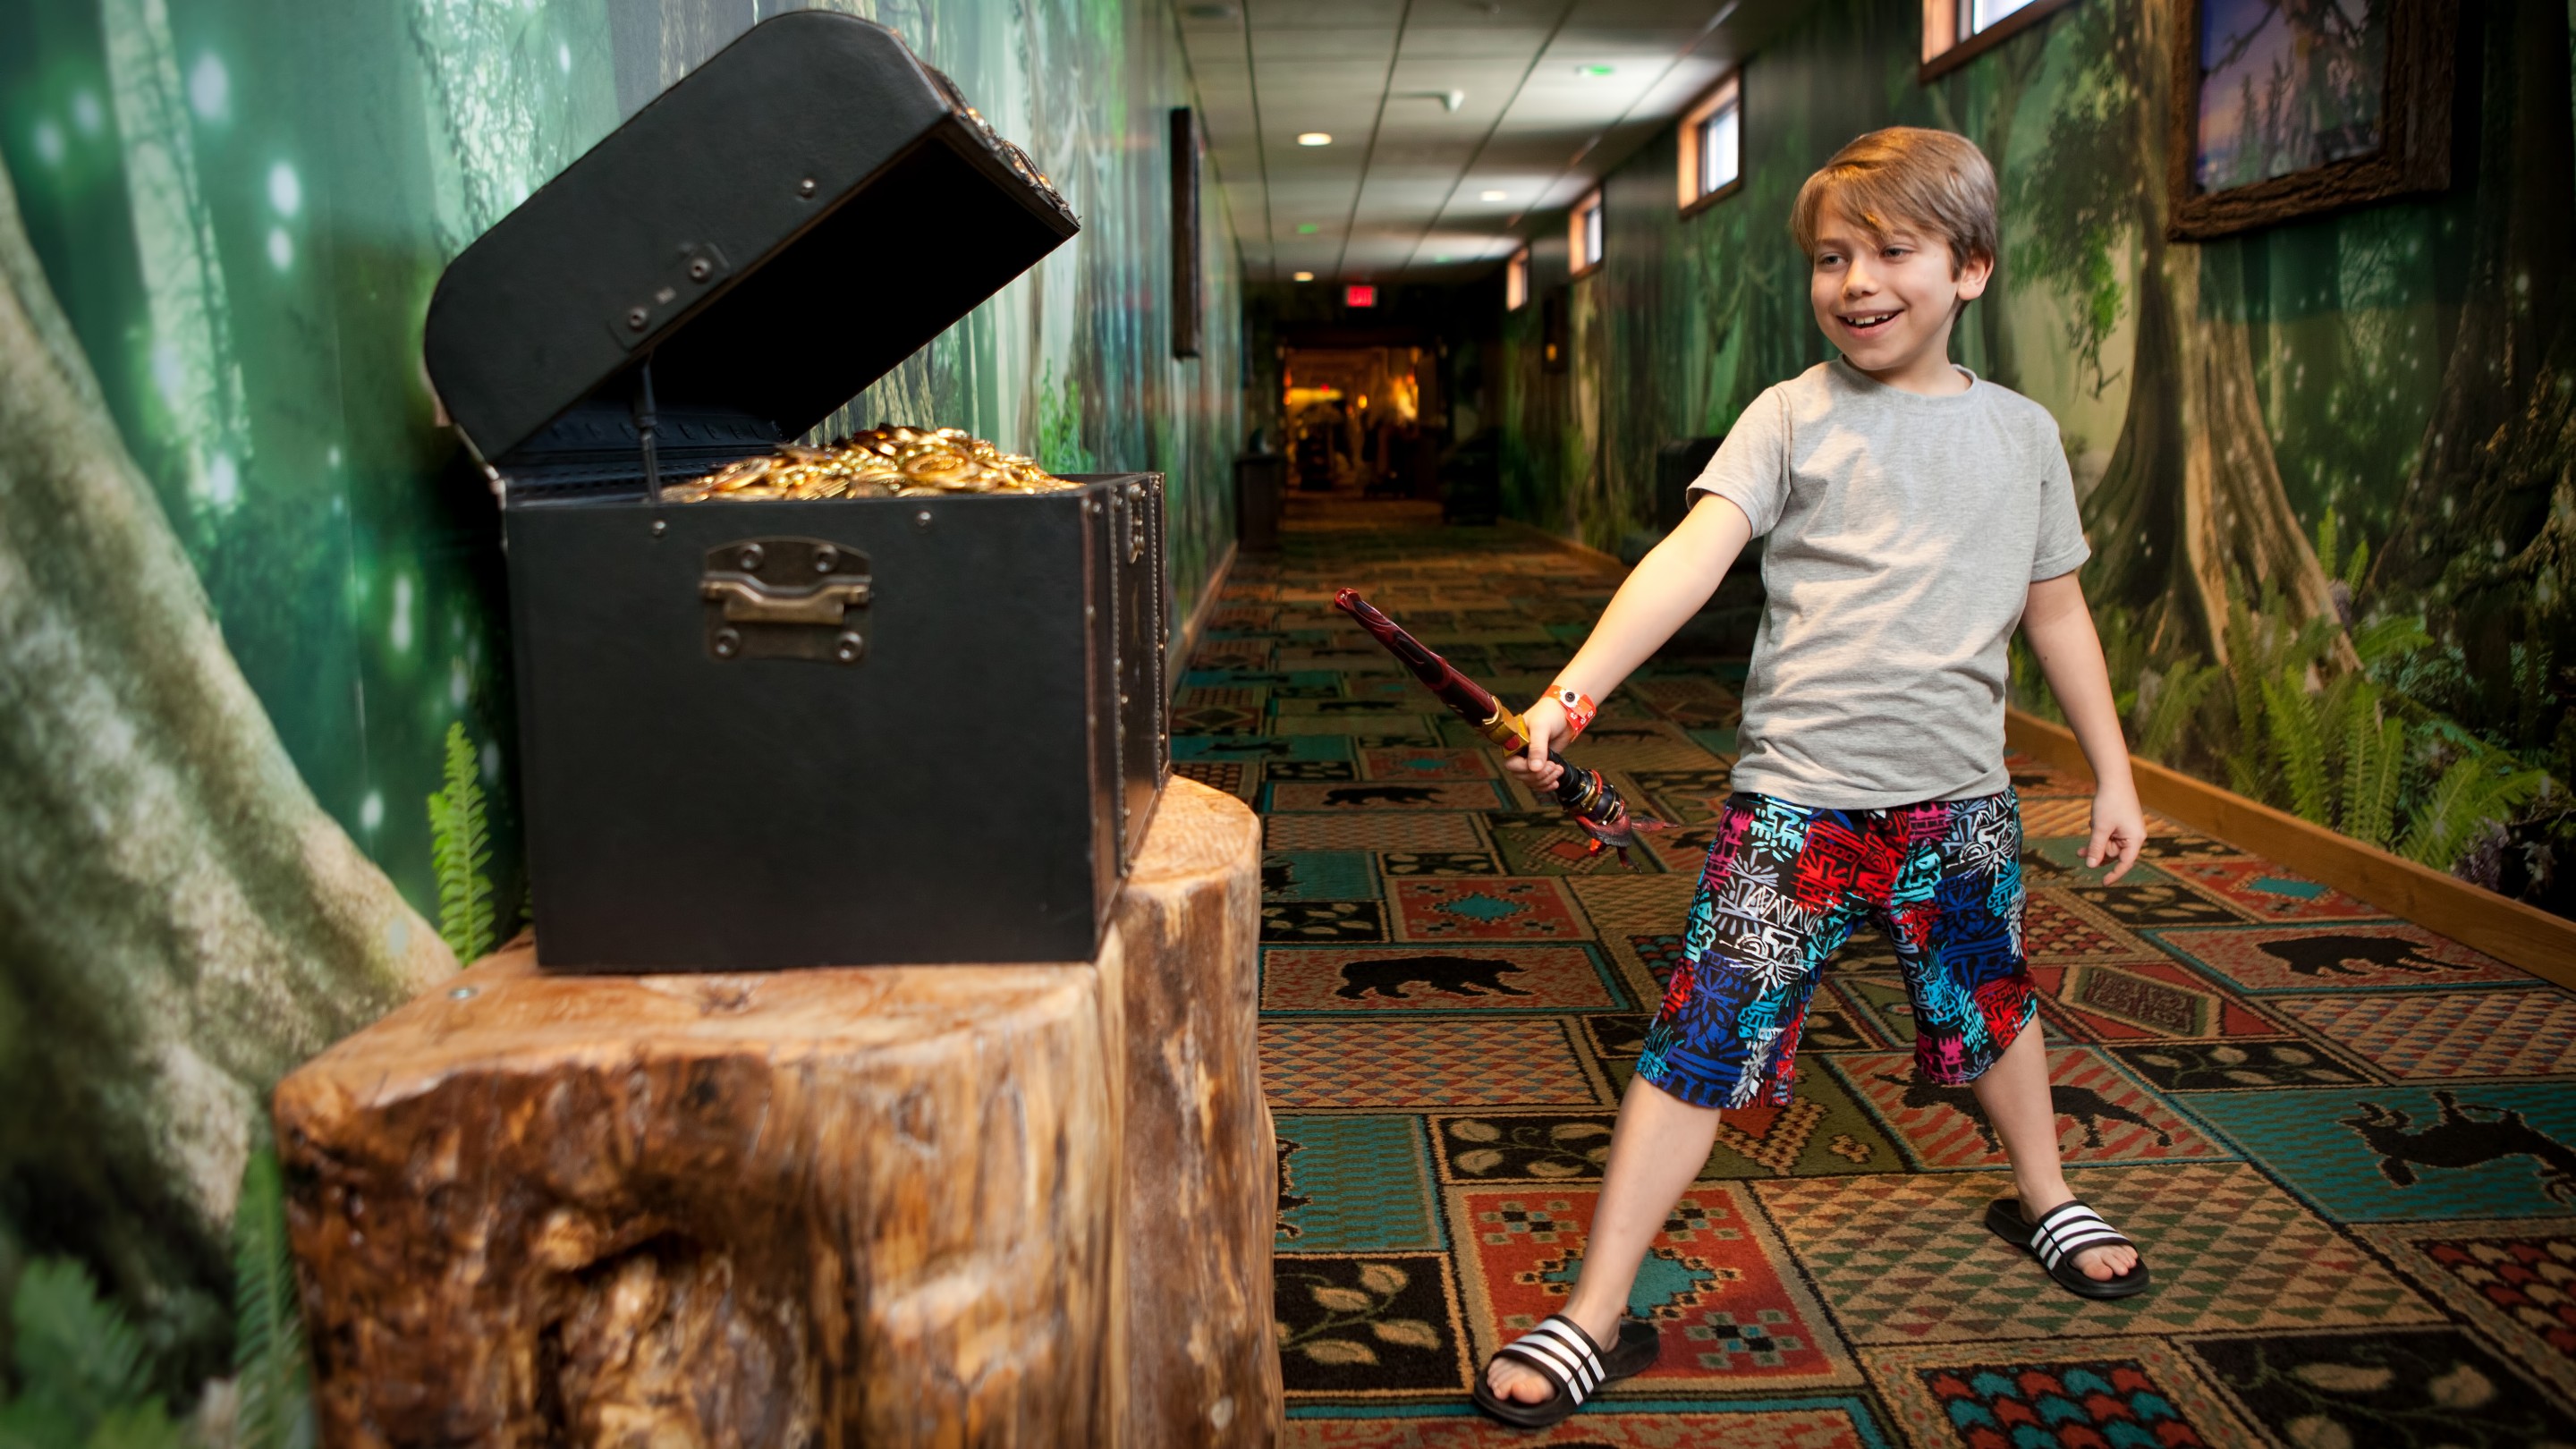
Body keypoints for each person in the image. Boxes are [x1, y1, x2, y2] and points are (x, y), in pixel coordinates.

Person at [1472, 126, 2150, 1428]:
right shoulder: (1790, 415)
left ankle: (2048, 1193)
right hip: (1796, 805)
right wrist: (1573, 689)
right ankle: (1596, 1308)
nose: (1856, 281)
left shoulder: (2021, 438)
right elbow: (1691, 556)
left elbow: (2058, 612)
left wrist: (2113, 776)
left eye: (1892, 251)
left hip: (1960, 804)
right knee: (1700, 1041)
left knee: (1994, 1005)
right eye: (1833, 257)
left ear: (1972, 269)